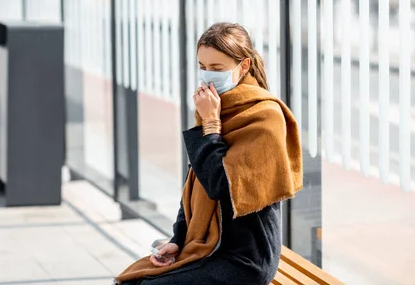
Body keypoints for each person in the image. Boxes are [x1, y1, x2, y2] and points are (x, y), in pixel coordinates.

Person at [115, 23, 303, 285]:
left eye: (217, 69)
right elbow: (195, 181)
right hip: (209, 247)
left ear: (244, 66)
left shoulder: (265, 117)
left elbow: (220, 185)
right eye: (202, 67)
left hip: (245, 259)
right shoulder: (217, 107)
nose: (207, 75)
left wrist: (211, 125)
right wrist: (178, 240)